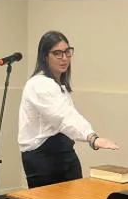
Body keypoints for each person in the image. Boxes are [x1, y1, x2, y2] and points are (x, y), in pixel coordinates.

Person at [18, 31, 120, 188]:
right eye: (57, 53)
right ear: (45, 56)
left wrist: (91, 136)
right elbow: (63, 118)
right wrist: (92, 138)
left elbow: (70, 115)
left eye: (67, 52)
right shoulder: (39, 85)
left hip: (64, 153)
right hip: (43, 159)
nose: (64, 58)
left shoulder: (57, 85)